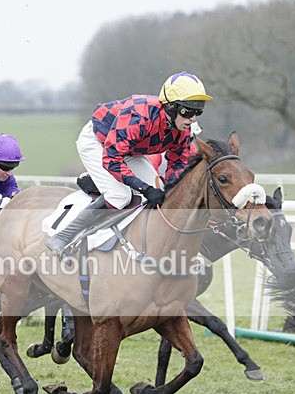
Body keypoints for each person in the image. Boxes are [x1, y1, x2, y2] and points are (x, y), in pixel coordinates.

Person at [45, 72, 213, 257]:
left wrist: (170, 188)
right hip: (98, 143)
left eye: (198, 112)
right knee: (120, 196)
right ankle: (63, 236)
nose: (193, 118)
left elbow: (178, 162)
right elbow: (112, 159)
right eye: (188, 111)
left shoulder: (183, 129)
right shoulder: (139, 115)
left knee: (162, 193)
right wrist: (144, 188)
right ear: (171, 107)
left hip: (129, 150)